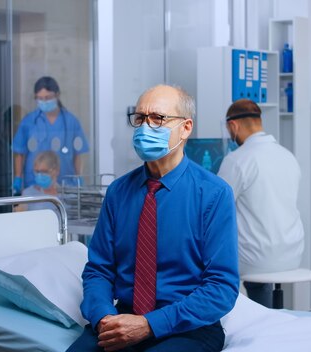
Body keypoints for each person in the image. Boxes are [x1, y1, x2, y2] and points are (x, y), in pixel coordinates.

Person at [67, 85, 239, 352]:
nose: (145, 127)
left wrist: (149, 324)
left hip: (188, 327)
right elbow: (99, 270)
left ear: (186, 127)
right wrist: (103, 317)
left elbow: (221, 288)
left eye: (157, 118)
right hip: (121, 319)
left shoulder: (213, 195)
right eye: (139, 118)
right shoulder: (118, 192)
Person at [217, 98, 304, 308]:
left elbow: (216, 206)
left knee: (206, 258)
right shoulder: (287, 156)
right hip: (293, 254)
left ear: (233, 126)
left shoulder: (237, 160)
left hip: (257, 260)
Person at [12, 76, 89, 194]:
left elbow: (78, 154)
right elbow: (19, 153)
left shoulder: (71, 121)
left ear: (57, 95)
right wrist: (18, 178)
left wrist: (79, 177)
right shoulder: (29, 121)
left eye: (48, 98)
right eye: (40, 98)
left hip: (64, 183)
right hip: (35, 183)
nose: (44, 102)